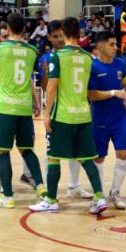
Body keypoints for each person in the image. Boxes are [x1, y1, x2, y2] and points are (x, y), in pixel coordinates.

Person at [30, 17, 109, 214]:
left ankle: (51, 200)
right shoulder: (88, 57)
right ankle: (99, 197)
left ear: (64, 33)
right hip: (83, 115)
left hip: (63, 116)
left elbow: (52, 85)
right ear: (79, 33)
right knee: (86, 158)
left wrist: (47, 114)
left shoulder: (57, 56)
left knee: (53, 158)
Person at [0, 13, 45, 209]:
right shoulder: (32, 50)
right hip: (24, 107)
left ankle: (7, 196)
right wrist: (36, 102)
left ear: (9, 28)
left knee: (2, 151)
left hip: (5, 106)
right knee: (26, 149)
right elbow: (29, 78)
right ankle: (42, 189)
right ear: (24, 29)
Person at [38, 20, 90, 198]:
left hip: (74, 109)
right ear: (49, 38)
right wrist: (46, 74)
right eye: (55, 36)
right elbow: (45, 87)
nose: (59, 39)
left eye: (61, 35)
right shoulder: (46, 58)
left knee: (76, 149)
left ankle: (73, 186)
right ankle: (49, 191)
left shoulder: (76, 54)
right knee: (52, 151)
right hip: (57, 110)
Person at [87, 32, 126, 210]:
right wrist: (113, 93)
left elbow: (125, 85)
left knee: (123, 154)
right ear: (100, 46)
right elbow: (91, 94)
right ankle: (98, 194)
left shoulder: (121, 64)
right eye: (112, 44)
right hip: (100, 118)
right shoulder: (93, 67)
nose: (116, 47)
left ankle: (115, 193)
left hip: (119, 118)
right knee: (99, 158)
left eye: (116, 44)